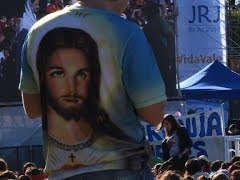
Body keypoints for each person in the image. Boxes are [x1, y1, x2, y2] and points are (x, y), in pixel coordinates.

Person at [19, 0, 167, 179]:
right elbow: (154, 114)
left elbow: (32, 109)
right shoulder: (128, 32)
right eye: (59, 73)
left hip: (62, 173)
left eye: (82, 74)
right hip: (123, 169)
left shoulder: (36, 31)